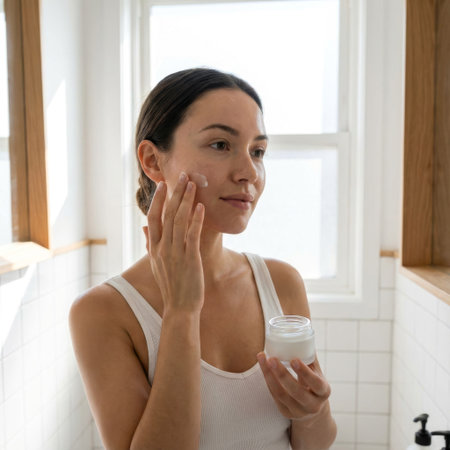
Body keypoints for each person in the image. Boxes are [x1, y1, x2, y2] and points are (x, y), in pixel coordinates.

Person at [69, 68, 337, 450]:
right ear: (152, 160)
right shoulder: (103, 313)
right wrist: (181, 311)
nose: (249, 173)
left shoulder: (280, 283)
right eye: (220, 145)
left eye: (257, 151)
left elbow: (314, 443)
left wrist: (312, 412)